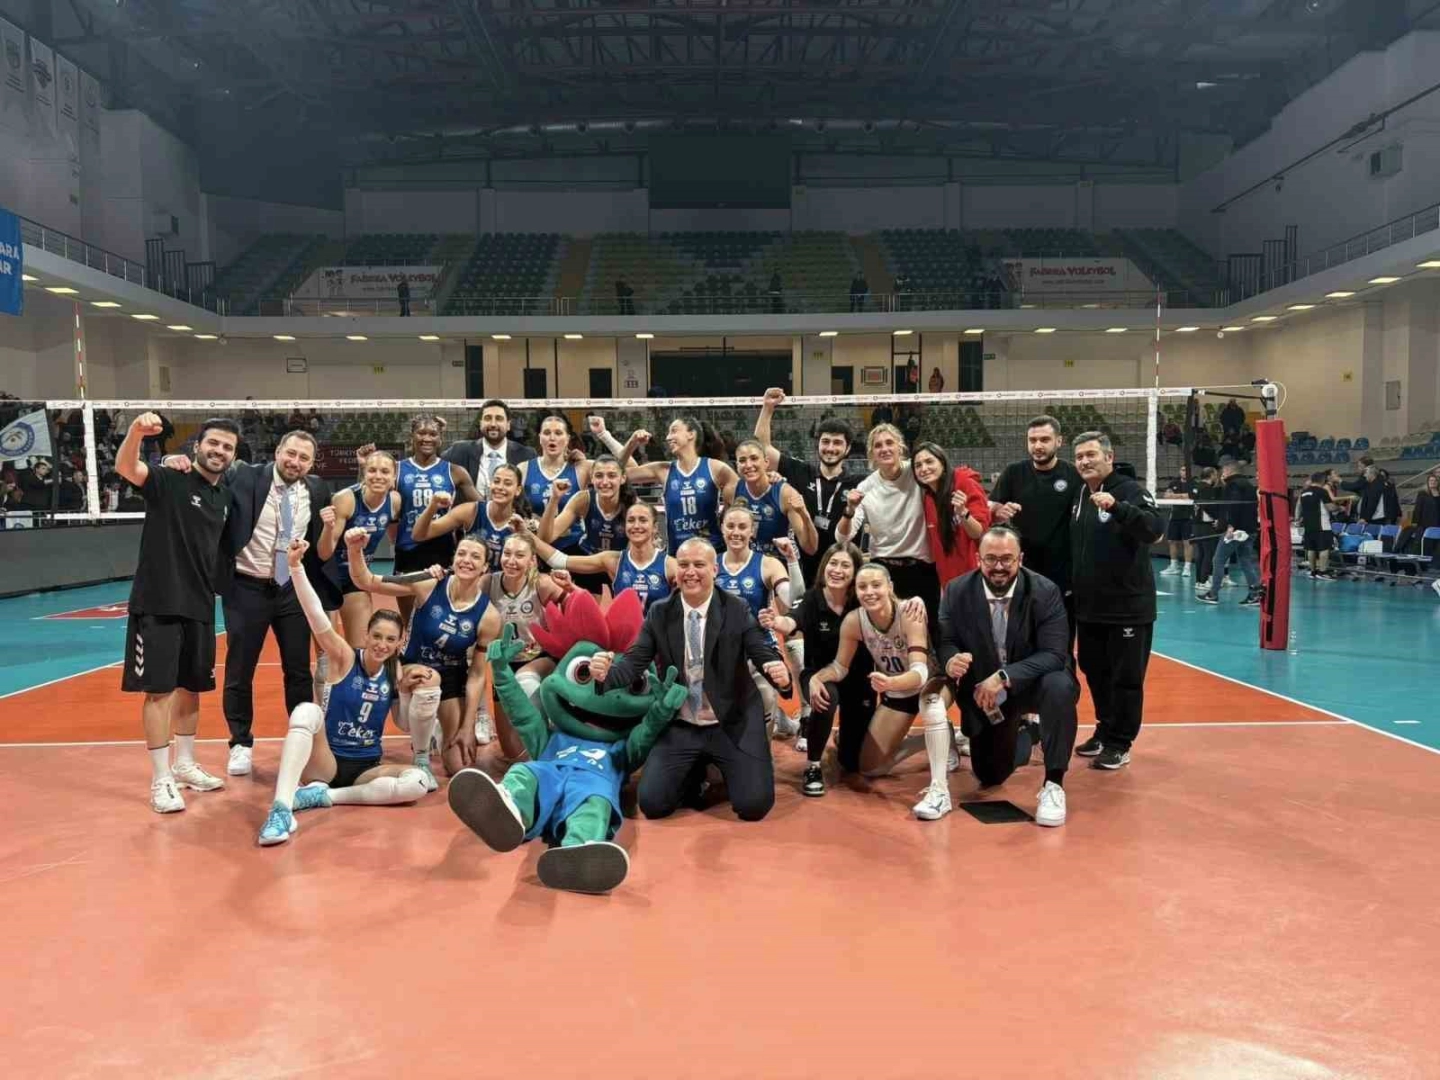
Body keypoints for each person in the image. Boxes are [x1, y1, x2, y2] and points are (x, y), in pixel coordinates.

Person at [161, 429, 333, 778]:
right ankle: (240, 742)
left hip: (291, 589)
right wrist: (169, 460)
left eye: (304, 458)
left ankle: (300, 739)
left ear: (313, 463)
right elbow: (206, 470)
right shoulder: (245, 475)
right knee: (240, 669)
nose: (295, 462)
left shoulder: (316, 489)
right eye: (290, 453)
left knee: (299, 670)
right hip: (245, 586)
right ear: (278, 451)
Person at [587, 539, 790, 822]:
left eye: (699, 565)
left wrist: (779, 674)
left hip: (731, 722)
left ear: (715, 570)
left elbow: (761, 651)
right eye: (683, 565)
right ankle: (694, 771)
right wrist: (605, 674)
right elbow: (634, 661)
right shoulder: (660, 612)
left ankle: (713, 769)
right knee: (653, 804)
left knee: (754, 805)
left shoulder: (736, 608)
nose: (690, 572)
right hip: (682, 723)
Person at [256, 541, 434, 846]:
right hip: (326, 761)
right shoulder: (345, 657)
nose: (382, 644)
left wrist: (406, 692)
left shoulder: (395, 672)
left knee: (418, 781)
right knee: (306, 711)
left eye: (390, 639)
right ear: (366, 634)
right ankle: (281, 809)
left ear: (399, 643)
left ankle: (328, 797)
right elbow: (316, 616)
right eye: (376, 636)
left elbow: (404, 724)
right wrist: (296, 568)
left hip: (367, 768)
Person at [117, 413, 238, 813]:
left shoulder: (224, 497)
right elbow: (127, 468)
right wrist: (136, 432)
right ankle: (161, 778)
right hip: (159, 602)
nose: (219, 451)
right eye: (213, 443)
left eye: (227, 447)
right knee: (159, 691)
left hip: (199, 604)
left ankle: (185, 765)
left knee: (192, 687)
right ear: (197, 446)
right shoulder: (169, 479)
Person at [936, 526, 1077, 827]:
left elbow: (1055, 654)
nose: (998, 567)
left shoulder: (1044, 591)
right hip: (985, 693)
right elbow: (946, 641)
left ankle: (1054, 784)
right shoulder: (957, 590)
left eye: (1006, 559)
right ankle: (1027, 733)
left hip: (1032, 683)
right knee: (990, 776)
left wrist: (1003, 676)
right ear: (978, 559)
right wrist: (951, 661)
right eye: (991, 559)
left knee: (1059, 685)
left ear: (1020, 559)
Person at [804, 563, 958, 820]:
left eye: (876, 585)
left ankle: (940, 792)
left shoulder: (909, 612)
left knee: (931, 706)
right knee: (870, 768)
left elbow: (920, 673)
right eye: (862, 587)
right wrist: (817, 678)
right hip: (896, 691)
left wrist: (890, 684)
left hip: (932, 682)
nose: (869, 592)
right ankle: (937, 739)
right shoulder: (854, 621)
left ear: (890, 587)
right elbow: (840, 667)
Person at [347, 532, 501, 777]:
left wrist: (467, 726)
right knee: (428, 679)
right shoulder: (429, 582)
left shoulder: (489, 616)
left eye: (475, 557)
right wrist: (354, 549)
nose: (466, 560)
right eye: (461, 553)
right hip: (411, 665)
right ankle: (421, 756)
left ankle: (436, 727)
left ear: (485, 567)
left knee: (459, 766)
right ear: (453, 558)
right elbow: (367, 580)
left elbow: (477, 675)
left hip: (452, 677)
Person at [1070, 432, 1164, 770]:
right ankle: (1105, 729)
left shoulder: (1131, 491)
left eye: (1091, 454)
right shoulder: (1082, 493)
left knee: (1126, 678)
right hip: (1090, 608)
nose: (1084, 461)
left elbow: (1154, 529)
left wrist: (1119, 508)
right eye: (1079, 456)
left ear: (1109, 457)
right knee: (1094, 670)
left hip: (1127, 608)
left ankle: (1120, 742)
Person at [760, 542, 875, 797]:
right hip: (818, 676)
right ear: (824, 567)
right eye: (833, 563)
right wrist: (776, 621)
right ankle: (812, 766)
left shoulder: (862, 600)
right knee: (826, 696)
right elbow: (791, 621)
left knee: (853, 763)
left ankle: (843, 742)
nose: (837, 570)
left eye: (845, 565)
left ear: (855, 572)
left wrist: (914, 603)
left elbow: (891, 607)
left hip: (858, 680)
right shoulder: (812, 599)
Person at [478, 530, 574, 759]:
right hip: (503, 665)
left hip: (539, 657)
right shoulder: (488, 583)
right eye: (507, 553)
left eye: (519, 555)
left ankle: (548, 726)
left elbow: (577, 605)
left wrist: (569, 589)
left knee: (525, 680)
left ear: (532, 561)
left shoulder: (542, 583)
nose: (511, 560)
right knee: (510, 752)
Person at [835, 423, 939, 634]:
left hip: (922, 570)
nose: (884, 449)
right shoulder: (865, 487)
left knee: (930, 632)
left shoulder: (917, 472)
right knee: (890, 635)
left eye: (889, 443)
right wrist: (849, 510)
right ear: (871, 454)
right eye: (878, 445)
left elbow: (946, 477)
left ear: (900, 447)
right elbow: (842, 537)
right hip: (884, 571)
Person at [988, 415, 1084, 636]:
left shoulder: (1073, 474)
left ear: (1059, 441)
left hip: (1062, 573)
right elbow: (990, 506)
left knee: (1061, 638)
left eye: (1044, 439)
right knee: (1022, 637)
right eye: (1032, 440)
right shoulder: (1014, 472)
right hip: (1022, 571)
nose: (1038, 446)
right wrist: (997, 511)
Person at [715, 505, 804, 739]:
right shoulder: (711, 564)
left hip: (759, 646)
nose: (736, 532)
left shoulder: (767, 564)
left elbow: (794, 599)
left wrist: (791, 559)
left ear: (752, 531)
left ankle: (762, 753)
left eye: (742, 527)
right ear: (722, 529)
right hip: (721, 649)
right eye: (730, 526)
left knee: (765, 695)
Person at [394, 413, 483, 624]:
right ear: (412, 436)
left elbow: (481, 507)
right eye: (421, 433)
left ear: (440, 439)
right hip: (408, 550)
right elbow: (370, 495)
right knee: (408, 621)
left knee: (441, 617)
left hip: (441, 550)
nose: (427, 438)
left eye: (433, 434)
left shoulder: (455, 472)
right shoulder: (397, 469)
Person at [318, 449, 402, 647]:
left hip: (355, 578)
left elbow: (393, 537)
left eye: (385, 471)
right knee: (328, 652)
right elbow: (324, 553)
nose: (378, 476)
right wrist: (328, 528)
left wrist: (387, 570)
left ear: (394, 477)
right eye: (372, 470)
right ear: (364, 473)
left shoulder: (394, 501)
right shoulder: (345, 499)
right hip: (328, 576)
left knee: (361, 647)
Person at [617, 417, 738, 554]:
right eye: (668, 433)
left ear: (691, 434)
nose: (668, 437)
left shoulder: (715, 468)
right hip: (677, 556)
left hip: (712, 553)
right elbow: (615, 473)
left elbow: (741, 500)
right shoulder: (663, 470)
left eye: (674, 431)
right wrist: (632, 443)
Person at [535, 501, 676, 612]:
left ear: (655, 527)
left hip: (658, 638)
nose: (636, 525)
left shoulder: (670, 565)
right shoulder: (613, 560)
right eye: (631, 520)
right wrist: (527, 535)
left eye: (643, 520)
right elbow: (560, 560)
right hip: (625, 637)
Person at [536, 453, 635, 594]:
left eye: (612, 476)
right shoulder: (583, 499)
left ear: (622, 478)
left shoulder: (634, 506)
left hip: (618, 562)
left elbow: (636, 554)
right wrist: (554, 499)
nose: (605, 482)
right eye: (599, 476)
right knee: (585, 603)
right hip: (588, 560)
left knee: (626, 601)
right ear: (592, 478)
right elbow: (545, 538)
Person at [414, 462, 528, 572]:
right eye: (496, 481)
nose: (500, 487)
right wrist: (433, 506)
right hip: (469, 580)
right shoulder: (471, 511)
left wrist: (526, 533)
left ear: (518, 490)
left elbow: (532, 562)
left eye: (507, 483)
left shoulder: (521, 523)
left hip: (503, 582)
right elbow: (419, 535)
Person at [911, 441, 989, 589]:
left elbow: (978, 532)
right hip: (948, 581)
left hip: (975, 577)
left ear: (942, 463)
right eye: (918, 465)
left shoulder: (965, 483)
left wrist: (963, 513)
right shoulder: (928, 497)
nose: (924, 468)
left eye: (929, 462)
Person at [725, 438, 817, 558]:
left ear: (766, 462)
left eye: (754, 458)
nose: (748, 465)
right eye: (742, 460)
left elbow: (810, 548)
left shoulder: (785, 494)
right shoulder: (731, 491)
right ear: (737, 465)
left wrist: (804, 514)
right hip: (748, 562)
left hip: (780, 560)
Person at [1198, 459, 1262, 607]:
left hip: (1236, 531)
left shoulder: (1233, 485)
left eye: (1223, 471)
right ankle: (1255, 594)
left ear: (1229, 470)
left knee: (1218, 559)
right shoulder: (1248, 485)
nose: (1222, 473)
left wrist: (1230, 526)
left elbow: (1233, 506)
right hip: (1250, 529)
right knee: (1245, 560)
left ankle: (1213, 593)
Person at [443, 399, 536, 485]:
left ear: (508, 425)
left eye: (499, 418)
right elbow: (436, 464)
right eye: (488, 418)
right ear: (480, 424)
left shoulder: (527, 455)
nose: (493, 424)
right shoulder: (459, 451)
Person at [1297, 471, 1337, 580]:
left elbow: (1298, 506)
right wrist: (1339, 508)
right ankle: (1323, 572)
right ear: (1322, 480)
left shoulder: (1304, 492)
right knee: (1324, 548)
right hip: (1322, 525)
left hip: (1308, 525)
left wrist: (1297, 519)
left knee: (1311, 548)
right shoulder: (1322, 491)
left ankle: (1313, 571)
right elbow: (1330, 507)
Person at [1160, 464, 1197, 577]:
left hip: (1189, 517)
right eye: (1182, 470)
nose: (1184, 472)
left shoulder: (1194, 483)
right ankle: (1173, 566)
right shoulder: (1173, 483)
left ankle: (1187, 567)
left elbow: (1191, 496)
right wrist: (1182, 496)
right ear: (1179, 471)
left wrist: (1175, 496)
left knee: (1187, 542)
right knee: (1171, 541)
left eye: (1186, 470)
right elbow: (1166, 496)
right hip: (1175, 516)